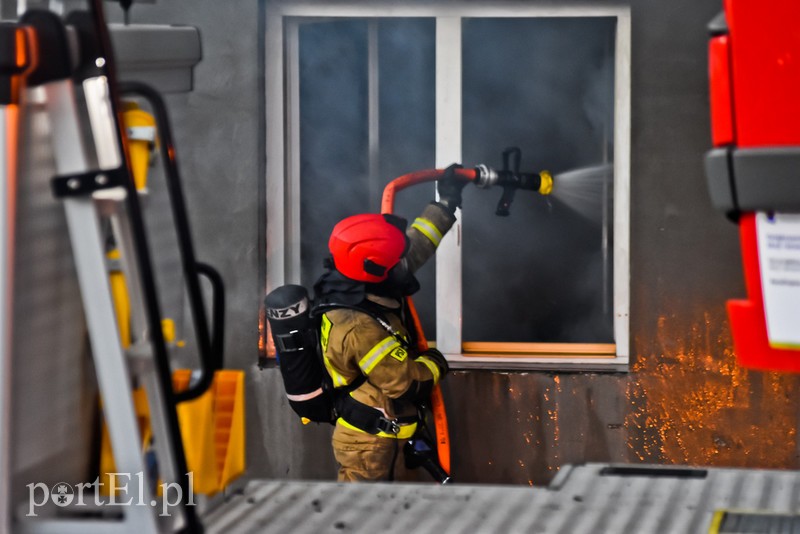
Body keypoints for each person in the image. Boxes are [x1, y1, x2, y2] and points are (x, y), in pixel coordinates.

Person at [312, 166, 466, 482]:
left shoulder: (360, 274)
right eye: (394, 261)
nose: (402, 265)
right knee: (360, 519)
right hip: (368, 444)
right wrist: (436, 362)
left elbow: (413, 246)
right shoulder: (358, 328)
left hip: (389, 432)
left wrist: (445, 202)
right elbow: (405, 382)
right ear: (376, 267)